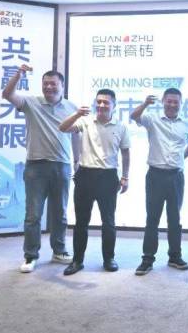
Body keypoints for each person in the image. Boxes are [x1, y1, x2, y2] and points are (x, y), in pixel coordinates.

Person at [2, 64, 78, 273]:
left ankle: (59, 250)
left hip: (62, 165)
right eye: (45, 84)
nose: (49, 87)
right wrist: (18, 74)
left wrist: (77, 160)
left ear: (62, 86)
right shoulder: (31, 103)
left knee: (60, 213)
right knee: (33, 215)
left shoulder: (71, 107)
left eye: (53, 84)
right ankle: (30, 255)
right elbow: (7, 94)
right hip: (36, 166)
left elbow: (76, 135)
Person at [58, 89, 130, 275]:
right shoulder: (85, 121)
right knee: (81, 221)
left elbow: (125, 153)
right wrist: (76, 114)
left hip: (108, 176)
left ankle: (109, 259)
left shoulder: (121, 127)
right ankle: (77, 260)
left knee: (108, 221)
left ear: (114, 105)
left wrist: (125, 177)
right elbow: (62, 128)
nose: (101, 105)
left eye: (106, 102)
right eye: (98, 101)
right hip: (85, 175)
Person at [130, 88, 188, 275]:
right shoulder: (152, 119)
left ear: (181, 104)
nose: (172, 105)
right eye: (169, 101)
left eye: (176, 102)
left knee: (175, 219)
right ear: (163, 102)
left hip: (176, 177)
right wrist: (145, 103)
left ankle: (175, 256)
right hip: (155, 176)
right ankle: (147, 259)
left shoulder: (186, 124)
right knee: (152, 219)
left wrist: (181, 158)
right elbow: (134, 116)